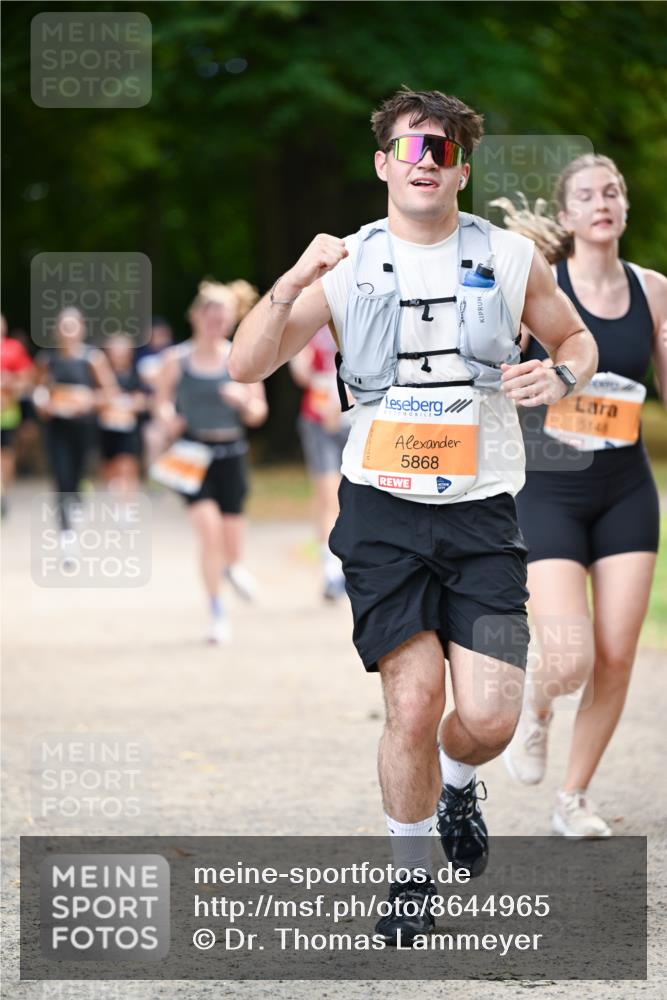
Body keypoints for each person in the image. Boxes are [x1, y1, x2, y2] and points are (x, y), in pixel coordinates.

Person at [230, 88, 598, 944]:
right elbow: (249, 365)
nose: (424, 164)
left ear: (461, 168)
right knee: (412, 701)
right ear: (383, 164)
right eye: (410, 149)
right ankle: (407, 878)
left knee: (490, 715)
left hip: (485, 517)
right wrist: (289, 283)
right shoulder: (345, 264)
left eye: (441, 151)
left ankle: (461, 785)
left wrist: (562, 376)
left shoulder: (510, 258)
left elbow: (573, 340)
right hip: (381, 513)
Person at [496, 155, 667, 837]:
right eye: (587, 195)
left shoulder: (653, 290)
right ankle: (535, 706)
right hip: (549, 491)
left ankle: (572, 797)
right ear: (566, 217)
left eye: (613, 192)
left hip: (626, 488)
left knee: (617, 654)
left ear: (623, 209)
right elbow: (497, 380)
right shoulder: (542, 289)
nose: (603, 202)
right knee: (569, 656)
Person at [154, 280, 267, 644]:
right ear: (195, 317)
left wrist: (243, 401)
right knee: (209, 531)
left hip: (231, 454)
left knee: (231, 542)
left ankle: (233, 567)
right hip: (191, 455)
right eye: (210, 315)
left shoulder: (241, 357)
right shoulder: (176, 359)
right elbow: (160, 402)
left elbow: (258, 412)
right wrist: (167, 417)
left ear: (232, 320)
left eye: (223, 317)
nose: (216, 322)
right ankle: (217, 612)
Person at [33, 308, 116, 550]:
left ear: (82, 329)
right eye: (63, 326)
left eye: (73, 326)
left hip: (84, 428)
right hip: (56, 428)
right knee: (61, 478)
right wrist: (45, 403)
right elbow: (37, 391)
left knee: (78, 475)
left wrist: (86, 399)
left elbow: (109, 394)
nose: (68, 332)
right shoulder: (47, 360)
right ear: (56, 330)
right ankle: (66, 536)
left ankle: (78, 502)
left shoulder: (92, 359)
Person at [289, 325, 350, 600]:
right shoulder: (312, 325)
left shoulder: (358, 315)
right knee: (327, 494)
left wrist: (341, 401)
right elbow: (302, 374)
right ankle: (330, 571)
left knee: (357, 495)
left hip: (354, 414)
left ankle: (353, 564)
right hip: (318, 417)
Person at [99, 333, 148, 504]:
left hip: (129, 428)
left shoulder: (136, 374)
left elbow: (144, 398)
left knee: (128, 464)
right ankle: (114, 498)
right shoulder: (101, 374)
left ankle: (127, 503)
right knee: (110, 465)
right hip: (106, 428)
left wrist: (132, 403)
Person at [1, 314, 34, 516]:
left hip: (6, 412)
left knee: (5, 455)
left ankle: (3, 495)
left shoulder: (13, 348)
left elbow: (28, 380)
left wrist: (9, 382)